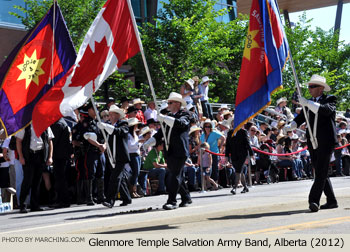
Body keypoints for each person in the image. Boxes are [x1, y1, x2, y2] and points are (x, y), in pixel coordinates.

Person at [286, 74, 338, 212]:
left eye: (312, 86)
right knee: (321, 170)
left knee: (320, 171)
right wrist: (291, 125)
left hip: (326, 140)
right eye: (309, 86)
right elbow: (301, 118)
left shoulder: (330, 99)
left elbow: (326, 111)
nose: (309, 89)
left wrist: (308, 103)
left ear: (321, 88)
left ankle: (313, 200)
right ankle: (332, 200)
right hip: (313, 140)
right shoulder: (308, 103)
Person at [144, 92, 192, 210]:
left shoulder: (185, 114)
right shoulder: (168, 117)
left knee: (174, 175)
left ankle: (172, 201)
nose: (168, 105)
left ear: (177, 103)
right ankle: (186, 197)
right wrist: (149, 142)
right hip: (169, 151)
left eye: (170, 102)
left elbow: (182, 124)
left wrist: (165, 118)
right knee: (177, 175)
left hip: (180, 151)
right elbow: (161, 134)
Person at [97, 105, 132, 208]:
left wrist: (106, 127)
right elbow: (105, 138)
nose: (109, 116)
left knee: (115, 177)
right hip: (111, 155)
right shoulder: (107, 125)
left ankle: (110, 200)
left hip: (120, 156)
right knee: (119, 177)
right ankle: (126, 198)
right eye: (109, 114)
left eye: (111, 114)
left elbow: (120, 132)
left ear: (117, 115)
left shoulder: (123, 123)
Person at [16, 124, 54, 213]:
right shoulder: (25, 125)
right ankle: (22, 204)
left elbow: (50, 141)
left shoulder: (44, 125)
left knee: (37, 181)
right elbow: (18, 141)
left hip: (40, 155)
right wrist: (21, 157)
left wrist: (50, 157)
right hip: (29, 155)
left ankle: (35, 205)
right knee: (27, 181)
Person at [225, 124, 253, 194]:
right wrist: (226, 155)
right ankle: (245, 187)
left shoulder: (243, 132)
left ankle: (234, 188)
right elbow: (227, 145)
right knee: (239, 170)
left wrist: (251, 153)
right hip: (234, 154)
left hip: (242, 154)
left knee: (238, 170)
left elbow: (247, 143)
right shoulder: (230, 133)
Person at [200, 119, 225, 184]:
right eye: (206, 126)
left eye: (208, 126)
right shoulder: (202, 135)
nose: (207, 128)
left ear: (211, 127)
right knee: (206, 168)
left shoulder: (214, 133)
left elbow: (223, 138)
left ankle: (215, 183)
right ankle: (209, 184)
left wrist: (220, 147)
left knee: (214, 168)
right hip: (205, 154)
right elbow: (200, 144)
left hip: (214, 153)